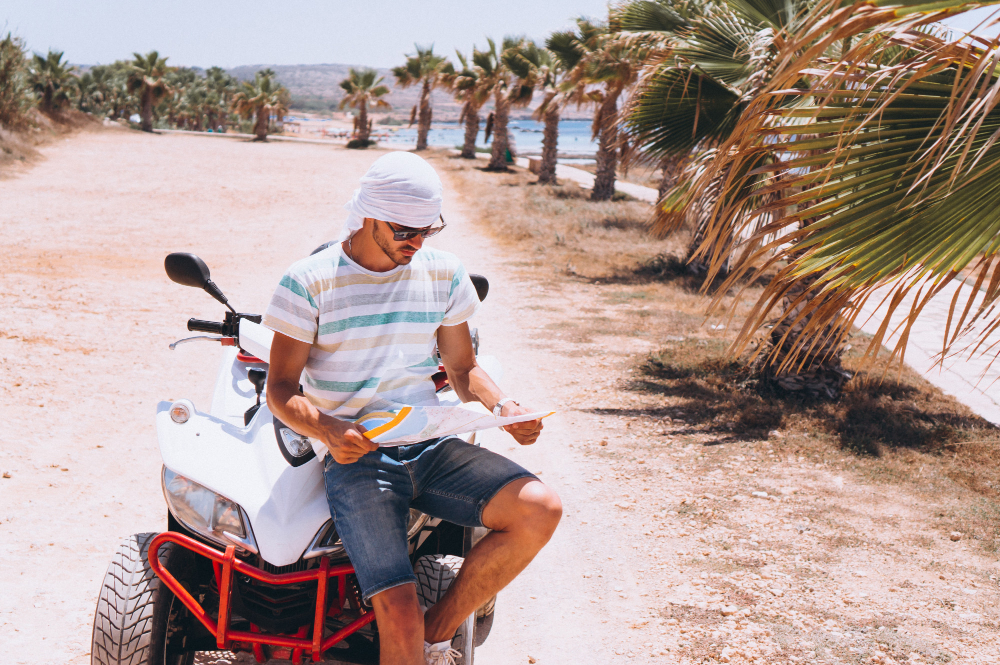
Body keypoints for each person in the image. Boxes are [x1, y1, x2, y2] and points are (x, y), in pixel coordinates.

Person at [262, 151, 562, 665]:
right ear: (369, 215)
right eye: (405, 230)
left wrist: (505, 407)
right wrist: (331, 430)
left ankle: (438, 633)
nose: (417, 243)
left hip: (431, 444)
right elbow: (281, 389)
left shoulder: (443, 274)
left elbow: (463, 370)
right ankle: (414, 637)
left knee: (540, 508)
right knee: (396, 619)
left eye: (429, 230)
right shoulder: (308, 281)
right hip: (360, 460)